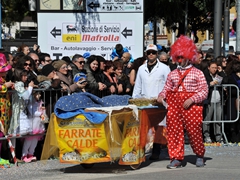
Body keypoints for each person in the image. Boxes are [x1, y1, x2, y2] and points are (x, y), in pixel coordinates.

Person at [157, 35, 208, 169]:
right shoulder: (172, 74)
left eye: (182, 57)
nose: (179, 60)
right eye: (177, 57)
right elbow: (166, 89)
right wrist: (161, 96)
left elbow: (204, 91)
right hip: (174, 106)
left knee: (194, 132)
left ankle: (199, 155)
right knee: (174, 132)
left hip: (192, 107)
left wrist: (192, 99)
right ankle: (176, 158)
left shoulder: (198, 73)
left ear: (188, 56)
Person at [132, 44, 170, 160]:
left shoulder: (164, 68)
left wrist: (164, 98)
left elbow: (169, 85)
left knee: (159, 128)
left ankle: (156, 151)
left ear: (157, 54)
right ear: (146, 54)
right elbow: (138, 85)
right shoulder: (141, 69)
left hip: (159, 103)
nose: (151, 55)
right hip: (145, 102)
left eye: (153, 52)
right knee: (144, 128)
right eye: (149, 53)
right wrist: (135, 100)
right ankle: (142, 151)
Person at [203, 61, 223, 143]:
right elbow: (203, 84)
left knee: (218, 119)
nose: (215, 69)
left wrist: (221, 71)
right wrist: (209, 84)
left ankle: (218, 137)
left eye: (216, 68)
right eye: (213, 68)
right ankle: (206, 136)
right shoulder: (205, 75)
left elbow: (225, 80)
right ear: (208, 68)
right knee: (207, 119)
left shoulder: (219, 75)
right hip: (209, 101)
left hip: (218, 101)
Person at [0, 53, 14, 165]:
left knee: (3, 132)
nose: (5, 71)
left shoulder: (4, 78)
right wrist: (5, 86)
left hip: (5, 109)